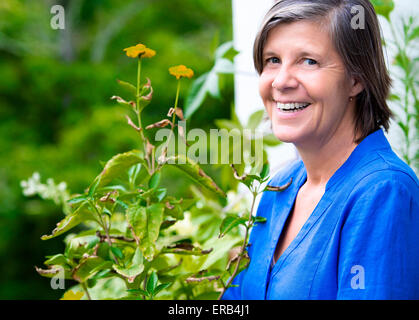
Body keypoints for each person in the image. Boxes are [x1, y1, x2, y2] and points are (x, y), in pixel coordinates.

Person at [221, 0, 419, 300]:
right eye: (272, 60)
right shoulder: (279, 186)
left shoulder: (382, 191)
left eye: (308, 61)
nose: (281, 81)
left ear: (356, 78)